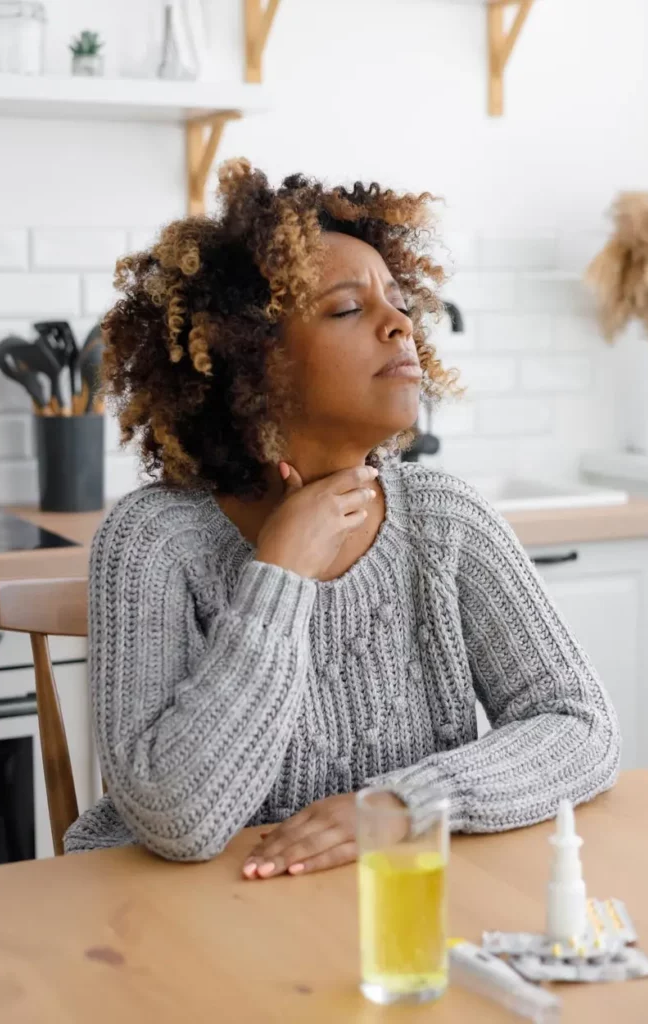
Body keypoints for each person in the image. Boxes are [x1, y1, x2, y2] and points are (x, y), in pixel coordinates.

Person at [65, 159, 620, 874]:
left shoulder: (440, 518)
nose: (400, 326)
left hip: (382, 910)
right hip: (183, 922)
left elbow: (579, 725)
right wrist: (281, 571)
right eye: (348, 309)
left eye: (398, 302)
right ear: (251, 361)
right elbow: (176, 819)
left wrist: (406, 805)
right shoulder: (155, 541)